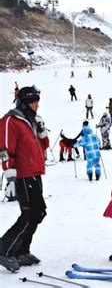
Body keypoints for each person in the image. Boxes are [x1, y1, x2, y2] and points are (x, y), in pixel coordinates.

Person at [0, 86, 49, 271]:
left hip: (35, 173)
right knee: (29, 214)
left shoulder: (31, 120)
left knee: (39, 213)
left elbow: (43, 146)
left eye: (37, 101)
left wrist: (42, 130)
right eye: (33, 101)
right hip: (21, 175)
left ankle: (21, 251)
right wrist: (9, 175)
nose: (37, 105)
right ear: (24, 102)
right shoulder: (10, 120)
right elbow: (4, 149)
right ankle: (5, 249)